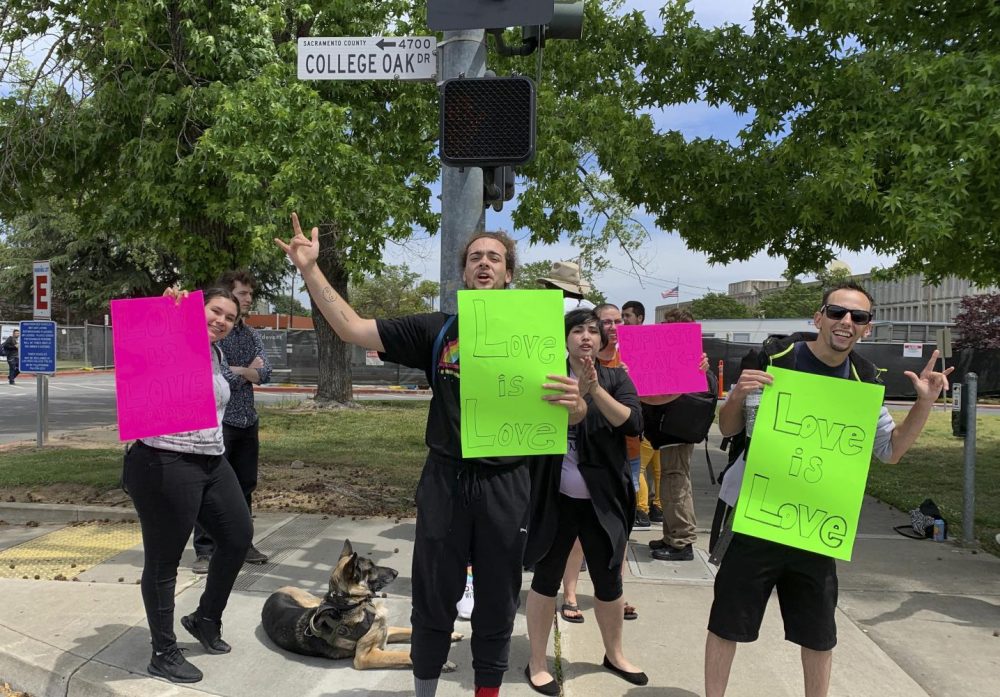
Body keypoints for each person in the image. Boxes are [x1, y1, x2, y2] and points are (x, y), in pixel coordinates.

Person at [276, 215, 583, 697]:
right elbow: (353, 328)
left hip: (507, 484)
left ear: (508, 275)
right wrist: (311, 270)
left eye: (494, 258)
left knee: (498, 600)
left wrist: (577, 403)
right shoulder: (438, 330)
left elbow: (571, 415)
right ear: (464, 273)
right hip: (445, 480)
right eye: (475, 257)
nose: (484, 263)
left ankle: (488, 689)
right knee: (433, 594)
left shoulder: (540, 338)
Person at [704, 281, 953, 697]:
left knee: (818, 632)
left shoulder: (864, 381)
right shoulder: (774, 360)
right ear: (819, 318)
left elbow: (889, 452)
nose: (847, 322)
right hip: (755, 513)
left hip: (816, 524)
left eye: (858, 317)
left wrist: (924, 403)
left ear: (867, 329)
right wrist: (737, 396)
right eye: (837, 312)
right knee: (728, 620)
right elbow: (729, 429)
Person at [123, 287, 253, 684]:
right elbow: (140, 345)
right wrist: (167, 314)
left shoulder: (216, 353)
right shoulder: (171, 339)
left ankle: (205, 618)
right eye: (216, 311)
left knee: (237, 537)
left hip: (211, 461)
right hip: (165, 460)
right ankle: (163, 652)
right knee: (164, 561)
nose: (222, 321)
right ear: (198, 309)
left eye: (230, 317)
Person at [523, 308, 646, 695]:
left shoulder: (615, 377)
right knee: (545, 580)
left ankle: (615, 653)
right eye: (577, 330)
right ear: (564, 339)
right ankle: (538, 662)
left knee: (609, 581)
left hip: (602, 501)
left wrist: (594, 391)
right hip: (554, 499)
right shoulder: (546, 376)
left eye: (594, 331)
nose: (587, 337)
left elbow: (633, 423)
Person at [191, 270, 272, 573]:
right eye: (243, 294)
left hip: (247, 421)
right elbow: (219, 377)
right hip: (219, 424)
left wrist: (243, 372)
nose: (249, 299)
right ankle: (205, 550)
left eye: (250, 295)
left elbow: (266, 373)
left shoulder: (250, 335)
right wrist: (245, 371)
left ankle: (243, 542)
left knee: (244, 486)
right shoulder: (208, 337)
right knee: (207, 487)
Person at [649, 308, 700, 562]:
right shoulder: (683, 354)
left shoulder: (688, 355)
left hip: (678, 428)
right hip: (673, 428)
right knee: (672, 481)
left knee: (675, 482)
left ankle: (681, 540)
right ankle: (672, 534)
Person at [621, 300, 663, 526]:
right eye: (623, 315)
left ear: (640, 318)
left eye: (628, 316)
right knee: (655, 468)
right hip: (656, 416)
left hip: (650, 415)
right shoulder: (652, 343)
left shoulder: (641, 344)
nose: (624, 320)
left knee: (642, 466)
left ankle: (643, 509)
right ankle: (656, 508)